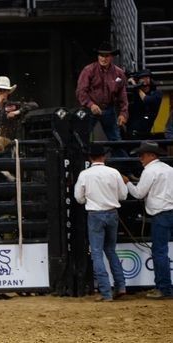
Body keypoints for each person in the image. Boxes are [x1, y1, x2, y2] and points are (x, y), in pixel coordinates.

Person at [73, 144, 127, 301]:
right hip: (112, 213)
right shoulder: (114, 172)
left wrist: (89, 199)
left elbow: (79, 198)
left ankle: (106, 292)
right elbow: (123, 195)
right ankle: (121, 285)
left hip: (95, 214)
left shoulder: (85, 174)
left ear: (90, 158)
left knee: (96, 253)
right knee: (111, 250)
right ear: (104, 156)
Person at [122, 141, 173, 299]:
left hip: (160, 213)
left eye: (142, 155)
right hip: (169, 210)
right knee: (161, 252)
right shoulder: (169, 169)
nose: (140, 158)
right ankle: (163, 286)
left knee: (159, 252)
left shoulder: (150, 171)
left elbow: (138, 194)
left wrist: (127, 183)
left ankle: (164, 288)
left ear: (151, 155)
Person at [75, 41, 129, 150]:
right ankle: (80, 164)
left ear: (111, 57)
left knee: (116, 140)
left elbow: (122, 95)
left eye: (107, 56)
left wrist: (123, 113)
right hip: (89, 110)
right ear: (98, 56)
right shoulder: (89, 70)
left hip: (109, 108)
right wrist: (91, 105)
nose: (103, 58)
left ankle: (121, 165)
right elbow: (81, 91)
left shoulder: (119, 73)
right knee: (81, 138)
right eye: (101, 55)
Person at [0, 76, 38, 140]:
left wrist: (17, 112)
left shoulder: (13, 105)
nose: (2, 93)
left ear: (8, 92)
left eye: (4, 90)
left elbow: (34, 105)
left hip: (8, 144)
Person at [125, 69, 163, 140]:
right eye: (142, 78)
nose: (145, 80)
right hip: (131, 130)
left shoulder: (157, 93)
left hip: (145, 132)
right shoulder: (134, 93)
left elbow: (147, 100)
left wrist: (136, 87)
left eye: (147, 78)